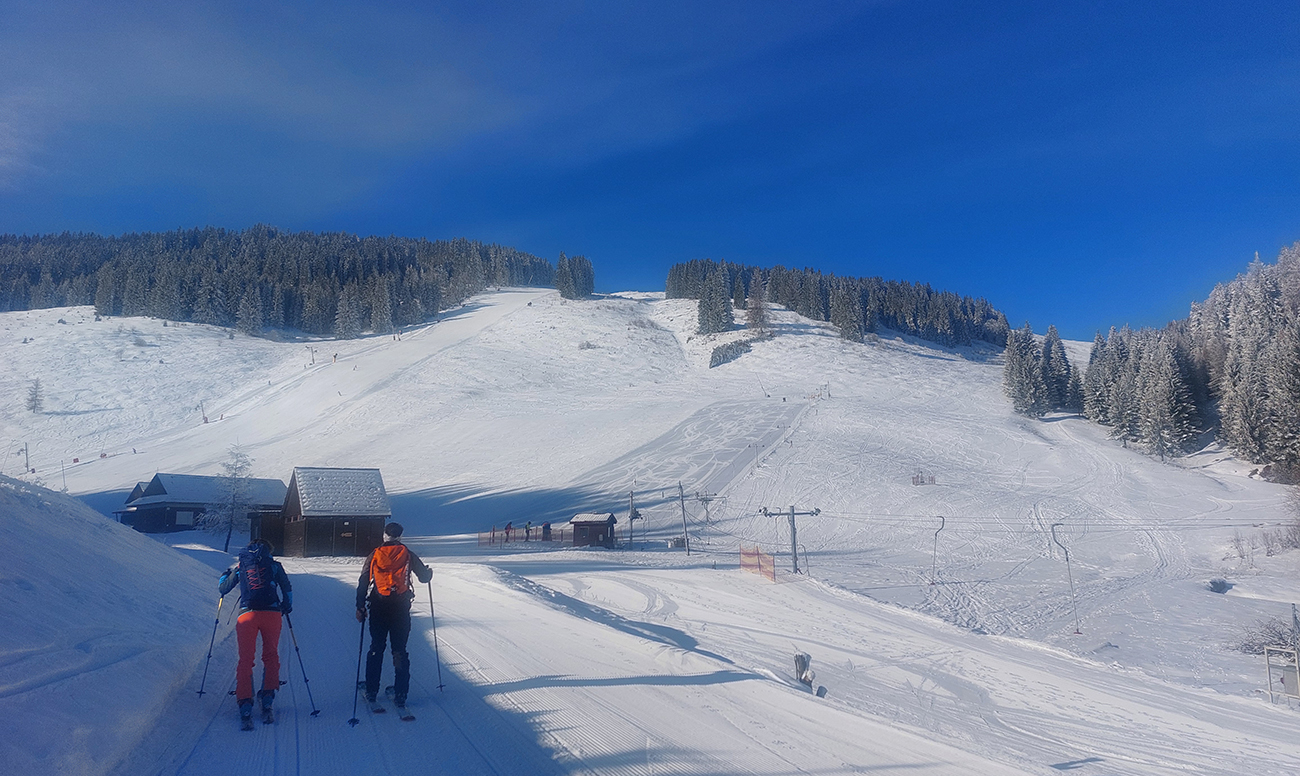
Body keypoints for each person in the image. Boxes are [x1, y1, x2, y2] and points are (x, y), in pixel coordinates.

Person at [356, 523, 432, 709]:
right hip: (401, 608)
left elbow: (364, 580)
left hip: (378, 607)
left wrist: (360, 606)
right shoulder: (408, 554)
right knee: (399, 650)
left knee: (377, 647)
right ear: (400, 536)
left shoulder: (375, 554)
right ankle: (400, 694)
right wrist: (429, 573)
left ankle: (371, 690)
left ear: (385, 535)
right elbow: (424, 578)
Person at [218, 539, 292, 728]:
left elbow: (223, 588)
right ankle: (267, 699)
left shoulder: (242, 565)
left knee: (245, 659)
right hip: (272, 614)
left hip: (247, 615)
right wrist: (286, 606)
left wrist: (223, 576)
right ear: (268, 550)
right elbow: (287, 588)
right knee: (271, 655)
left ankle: (245, 703)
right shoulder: (274, 566)